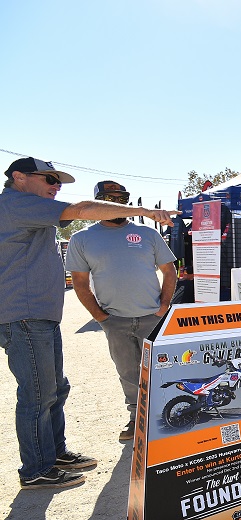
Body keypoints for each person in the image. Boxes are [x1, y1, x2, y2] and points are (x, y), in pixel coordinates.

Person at [1, 157, 175, 490]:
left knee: (53, 389)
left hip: (39, 315)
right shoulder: (17, 203)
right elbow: (81, 211)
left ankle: (54, 453)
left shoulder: (28, 208)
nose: (56, 186)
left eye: (59, 182)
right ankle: (37, 468)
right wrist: (147, 212)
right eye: (49, 179)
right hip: (24, 315)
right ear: (19, 178)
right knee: (38, 394)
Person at [65, 181, 177, 443]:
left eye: (120, 198)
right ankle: (136, 419)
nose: (116, 203)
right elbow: (80, 284)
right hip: (116, 321)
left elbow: (169, 271)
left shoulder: (148, 235)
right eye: (109, 199)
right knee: (128, 373)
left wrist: (163, 307)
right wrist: (101, 318)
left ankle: (169, 417)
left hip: (153, 319)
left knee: (165, 370)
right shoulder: (82, 239)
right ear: (97, 203)